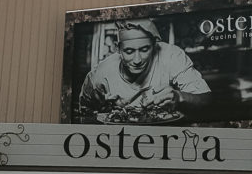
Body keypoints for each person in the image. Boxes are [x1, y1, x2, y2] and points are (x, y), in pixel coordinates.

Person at [78, 19, 210, 122]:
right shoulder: (100, 75)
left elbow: (206, 99)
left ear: (154, 45)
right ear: (118, 49)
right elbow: (83, 114)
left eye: (144, 50)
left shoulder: (172, 56)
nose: (137, 60)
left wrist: (179, 97)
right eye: (129, 51)